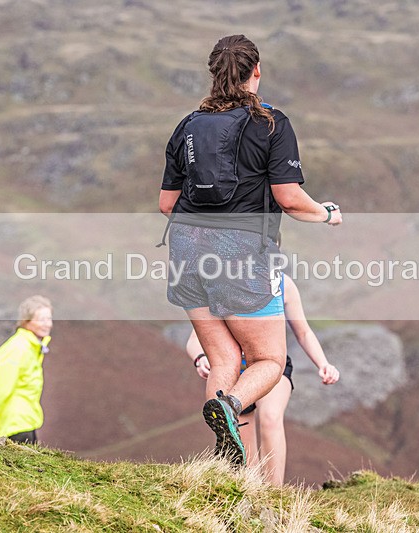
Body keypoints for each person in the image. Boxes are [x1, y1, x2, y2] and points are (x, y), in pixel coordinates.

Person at [159, 34, 342, 465]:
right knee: (269, 360)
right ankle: (230, 406)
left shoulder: (186, 126)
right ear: (256, 72)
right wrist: (327, 214)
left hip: (186, 254)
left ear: (214, 75)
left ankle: (227, 473)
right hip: (242, 258)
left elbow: (167, 204)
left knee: (223, 357)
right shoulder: (272, 124)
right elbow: (290, 198)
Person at [187, 274, 339, 485]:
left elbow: (303, 332)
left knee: (270, 417)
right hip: (236, 376)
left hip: (273, 366)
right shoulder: (223, 284)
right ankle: (252, 495)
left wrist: (323, 364)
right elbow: (195, 339)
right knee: (242, 448)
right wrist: (200, 358)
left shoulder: (284, 285)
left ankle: (275, 493)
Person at [0, 295, 53, 444]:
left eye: (49, 319)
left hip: (25, 424)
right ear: (26, 321)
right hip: (12, 428)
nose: (47, 324)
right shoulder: (18, 349)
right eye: (41, 319)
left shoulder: (33, 347)